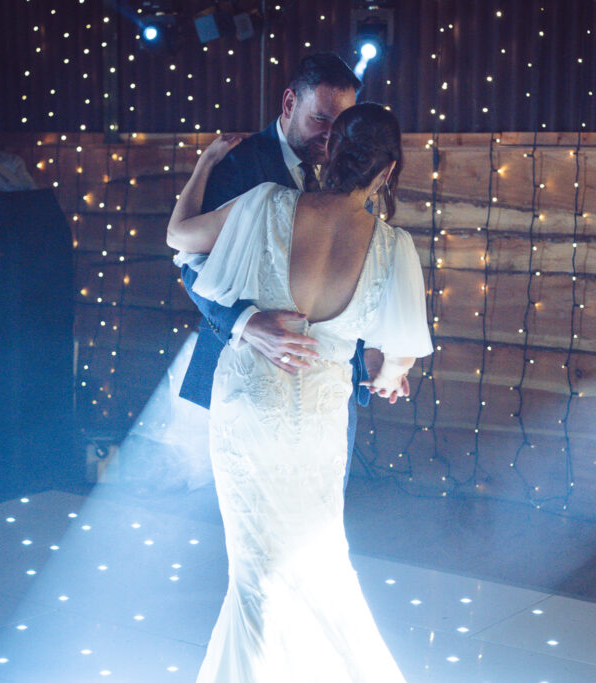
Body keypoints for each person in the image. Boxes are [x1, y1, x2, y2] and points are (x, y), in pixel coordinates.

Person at [167, 103, 432, 680]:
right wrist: (388, 376)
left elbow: (178, 234)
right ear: (388, 172)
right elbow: (397, 358)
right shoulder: (394, 247)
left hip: (245, 412)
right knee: (317, 562)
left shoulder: (264, 203)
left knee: (253, 570)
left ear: (328, 151)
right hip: (316, 427)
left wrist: (207, 162)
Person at [178, 54, 401, 480]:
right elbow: (192, 263)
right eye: (321, 119)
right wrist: (246, 322)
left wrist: (372, 352)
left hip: (328, 389)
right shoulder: (240, 164)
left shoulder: (352, 168)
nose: (333, 136)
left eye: (342, 123)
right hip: (248, 374)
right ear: (288, 104)